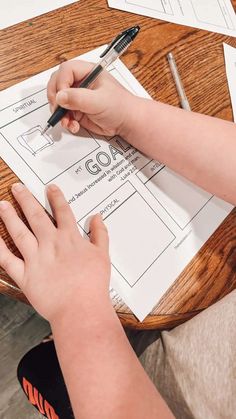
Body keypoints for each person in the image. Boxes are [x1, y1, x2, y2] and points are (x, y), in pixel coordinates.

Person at [0, 60, 236, 419]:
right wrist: (130, 115)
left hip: (144, 386)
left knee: (38, 369)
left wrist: (75, 309)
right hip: (184, 326)